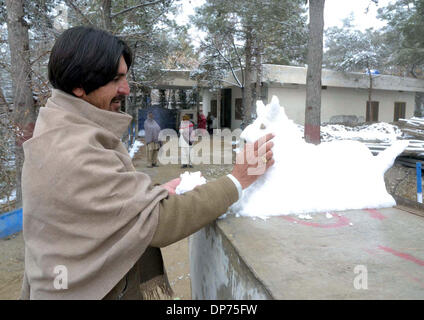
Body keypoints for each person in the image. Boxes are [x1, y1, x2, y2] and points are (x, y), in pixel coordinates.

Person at [20, 26, 275, 300]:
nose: (126, 89)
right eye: (115, 79)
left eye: (125, 77)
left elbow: (103, 205)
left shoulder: (58, 127)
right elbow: (159, 223)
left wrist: (149, 196)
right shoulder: (73, 148)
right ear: (78, 85)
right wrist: (237, 180)